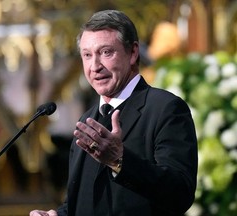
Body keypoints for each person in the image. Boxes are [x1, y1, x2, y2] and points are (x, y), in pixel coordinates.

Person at [30, 10, 198, 216]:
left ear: (133, 52)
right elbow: (81, 202)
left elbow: (180, 194)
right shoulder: (87, 120)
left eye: (106, 52)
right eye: (87, 55)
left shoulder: (166, 108)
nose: (95, 66)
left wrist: (119, 160)